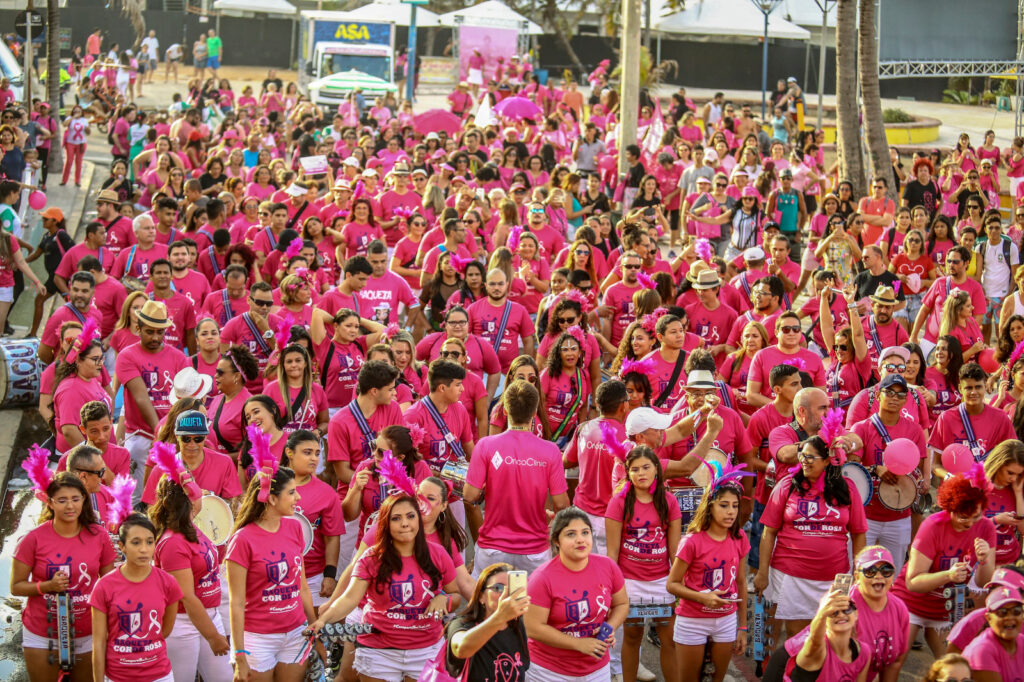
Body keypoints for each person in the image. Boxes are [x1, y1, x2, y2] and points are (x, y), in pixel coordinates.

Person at [309, 490, 461, 681]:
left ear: (419, 520)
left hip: (425, 650)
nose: (405, 523)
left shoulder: (438, 554)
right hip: (378, 650)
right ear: (386, 524)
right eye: (396, 518)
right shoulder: (372, 557)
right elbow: (350, 598)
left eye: (410, 516)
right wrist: (324, 620)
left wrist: (444, 598)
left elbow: (455, 595)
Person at [755, 431, 868, 638]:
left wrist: (858, 574)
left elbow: (859, 534)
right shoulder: (787, 485)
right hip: (791, 576)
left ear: (827, 461)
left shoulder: (847, 488)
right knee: (797, 636)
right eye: (802, 455)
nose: (803, 461)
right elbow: (768, 532)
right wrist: (763, 572)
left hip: (836, 577)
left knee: (835, 634)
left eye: (810, 457)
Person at [225, 433, 318, 681]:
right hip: (257, 639)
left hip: (296, 633)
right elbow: (235, 603)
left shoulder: (295, 527)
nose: (298, 498)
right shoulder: (242, 540)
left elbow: (303, 587)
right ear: (271, 498)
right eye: (292, 493)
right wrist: (240, 654)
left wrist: (314, 628)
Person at [12, 470, 116, 682]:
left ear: (84, 500)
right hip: (42, 634)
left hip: (88, 633)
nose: (70, 506)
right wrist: (47, 586)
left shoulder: (99, 536)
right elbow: (16, 586)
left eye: (75, 499)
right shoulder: (32, 539)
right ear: (50, 503)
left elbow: (110, 585)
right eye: (62, 500)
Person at [464, 379, 569, 574]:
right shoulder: (551, 451)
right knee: (531, 604)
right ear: (535, 412)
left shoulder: (485, 446)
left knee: (489, 604)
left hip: (492, 547)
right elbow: (562, 505)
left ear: (505, 411)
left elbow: (470, 496)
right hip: (534, 550)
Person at [890, 470, 997, 657]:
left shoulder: (986, 527)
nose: (971, 523)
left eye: (977, 516)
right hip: (910, 602)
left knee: (951, 665)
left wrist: (985, 559)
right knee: (895, 662)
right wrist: (948, 575)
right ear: (951, 508)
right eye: (964, 516)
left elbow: (983, 583)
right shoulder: (933, 525)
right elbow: (912, 582)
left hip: (946, 608)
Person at [149, 448, 233, 682]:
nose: (202, 493)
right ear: (186, 500)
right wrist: (213, 636)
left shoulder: (193, 527)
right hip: (183, 624)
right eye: (196, 489)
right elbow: (186, 596)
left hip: (209, 614)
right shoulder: (173, 543)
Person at [523, 507, 630, 682]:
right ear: (557, 541)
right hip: (549, 672)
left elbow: (622, 604)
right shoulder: (542, 578)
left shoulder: (608, 566)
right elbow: (533, 628)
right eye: (571, 534)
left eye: (585, 532)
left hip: (597, 668)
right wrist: (579, 644)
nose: (580, 539)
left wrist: (610, 626)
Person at [667, 455, 749, 682]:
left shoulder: (740, 537)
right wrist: (703, 599)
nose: (731, 512)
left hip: (726, 620)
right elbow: (672, 584)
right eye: (724, 505)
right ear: (709, 506)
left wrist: (742, 627)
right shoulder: (692, 541)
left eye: (734, 506)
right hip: (692, 621)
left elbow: (741, 582)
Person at [605, 446, 681, 682]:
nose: (641, 473)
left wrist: (676, 585)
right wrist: (613, 590)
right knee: (632, 636)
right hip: (630, 583)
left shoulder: (669, 501)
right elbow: (612, 553)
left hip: (661, 582)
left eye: (646, 467)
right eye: (635, 469)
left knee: (668, 639)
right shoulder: (618, 502)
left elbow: (674, 552)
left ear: (657, 469)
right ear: (628, 473)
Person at [90, 513, 183, 682]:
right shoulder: (104, 586)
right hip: (118, 676)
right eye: (135, 542)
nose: (144, 549)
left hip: (159, 675)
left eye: (149, 542)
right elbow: (99, 643)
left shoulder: (168, 583)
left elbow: (164, 631)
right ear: (122, 546)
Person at [849, 374, 929, 570]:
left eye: (901, 395)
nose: (895, 398)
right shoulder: (861, 428)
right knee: (858, 571)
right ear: (878, 396)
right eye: (890, 392)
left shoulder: (914, 430)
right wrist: (876, 469)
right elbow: (851, 470)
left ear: (906, 400)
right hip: (865, 516)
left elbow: (919, 466)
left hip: (899, 517)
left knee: (891, 574)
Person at [115, 300, 189, 502]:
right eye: (150, 332)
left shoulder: (178, 357)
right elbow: (140, 397)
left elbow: (186, 400)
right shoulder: (127, 356)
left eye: (160, 332)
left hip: (173, 438)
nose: (156, 337)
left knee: (171, 498)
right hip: (141, 438)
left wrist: (170, 436)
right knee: (138, 500)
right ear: (138, 328)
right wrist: (160, 433)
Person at [284, 430, 344, 609]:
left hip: (313, 576)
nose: (314, 459)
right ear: (290, 452)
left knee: (314, 631)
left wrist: (329, 574)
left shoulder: (327, 493)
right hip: (275, 575)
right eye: (307, 452)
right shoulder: (271, 484)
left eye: (317, 453)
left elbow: (332, 537)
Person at [443, 563, 531, 681]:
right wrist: (500, 617)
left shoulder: (516, 626)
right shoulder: (461, 624)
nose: (504, 594)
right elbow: (461, 649)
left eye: (511, 589)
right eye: (498, 588)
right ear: (480, 596)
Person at [930, 362, 1016, 472]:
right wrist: (950, 477)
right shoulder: (946, 418)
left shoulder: (1001, 418)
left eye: (978, 387)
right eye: (969, 388)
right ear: (960, 388)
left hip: (987, 485)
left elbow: (1011, 456)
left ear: (985, 386)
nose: (973, 392)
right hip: (956, 486)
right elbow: (936, 465)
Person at [848, 546, 910, 681]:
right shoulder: (845, 607)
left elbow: (895, 662)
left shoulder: (899, 608)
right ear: (857, 576)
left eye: (886, 571)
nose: (878, 576)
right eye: (870, 571)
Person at [962, 585, 1024, 680]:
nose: (1010, 617)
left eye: (1016, 611)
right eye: (1002, 612)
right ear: (988, 618)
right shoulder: (981, 650)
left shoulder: (1022, 641)